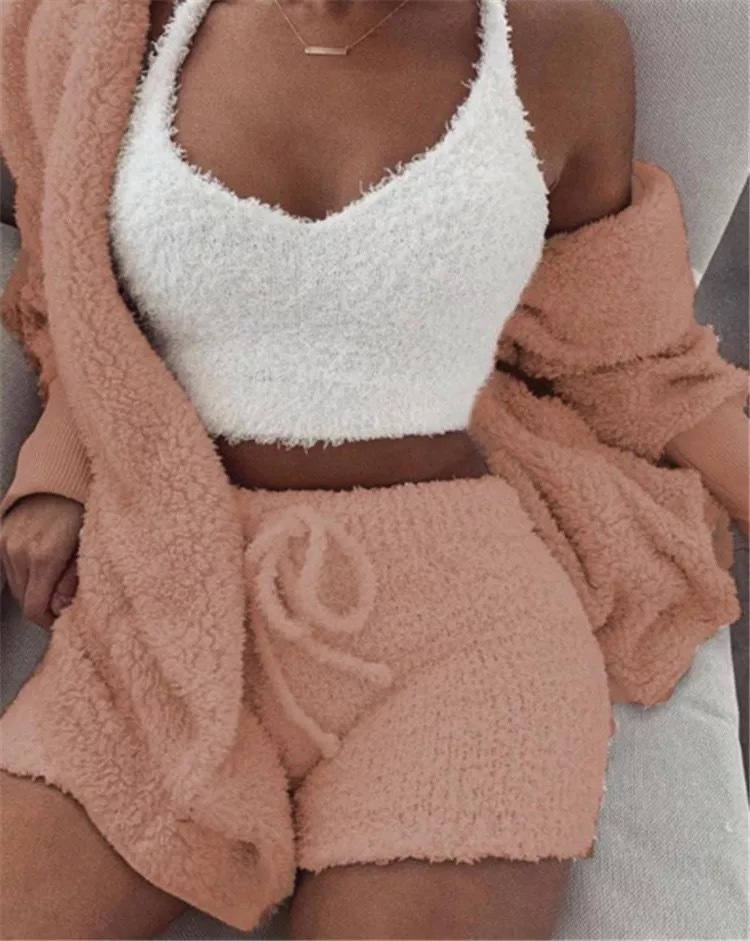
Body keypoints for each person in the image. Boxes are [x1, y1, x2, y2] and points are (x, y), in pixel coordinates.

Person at [0, 1, 747, 939]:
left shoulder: (558, 39)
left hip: (467, 628)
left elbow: (626, 348)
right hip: (175, 596)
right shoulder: (114, 23)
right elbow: (75, 283)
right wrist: (59, 461)